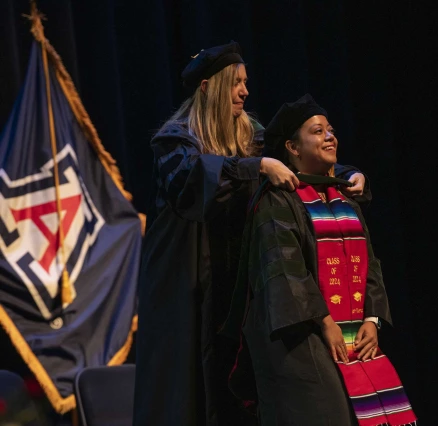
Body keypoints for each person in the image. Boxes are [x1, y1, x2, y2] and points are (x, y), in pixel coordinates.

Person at [133, 43, 370, 426]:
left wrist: (344, 174)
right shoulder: (174, 139)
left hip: (238, 270)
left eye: (246, 83)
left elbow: (296, 157)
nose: (245, 91)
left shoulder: (252, 132)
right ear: (210, 87)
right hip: (188, 275)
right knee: (189, 383)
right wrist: (257, 166)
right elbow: (191, 182)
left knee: (241, 375)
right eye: (236, 83)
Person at [225, 94, 417, 425]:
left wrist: (372, 319)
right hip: (298, 336)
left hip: (348, 331)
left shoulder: (343, 198)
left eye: (330, 129)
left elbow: (370, 262)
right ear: (293, 148)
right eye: (317, 131)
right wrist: (325, 322)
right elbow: (284, 270)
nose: (330, 136)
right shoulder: (277, 201)